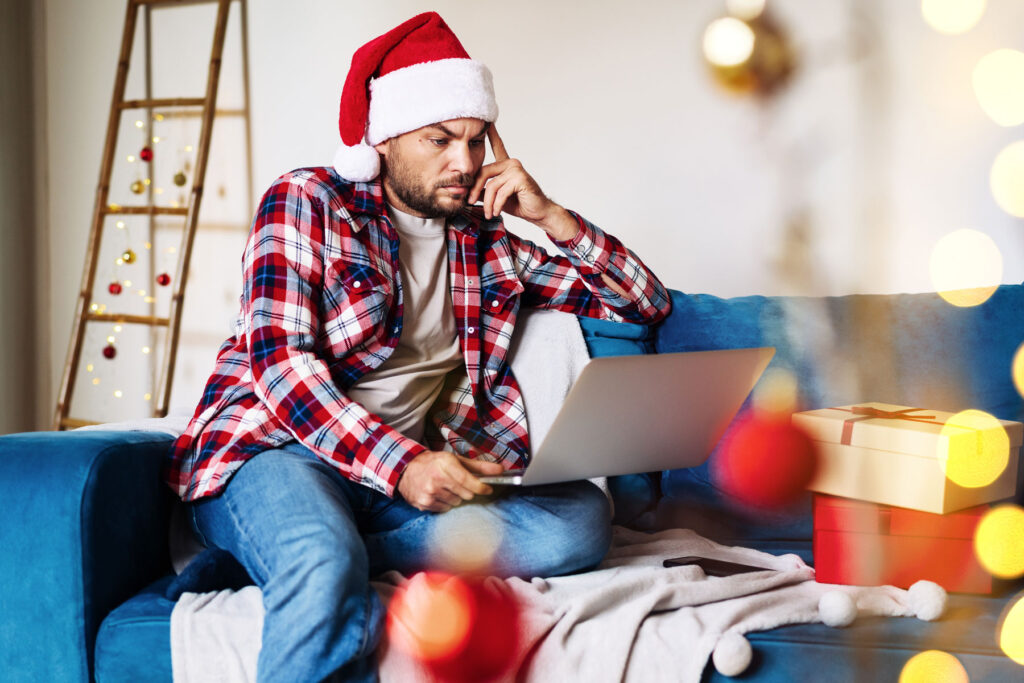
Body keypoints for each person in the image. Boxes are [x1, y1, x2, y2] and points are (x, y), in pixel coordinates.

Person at [165, 11, 671, 682]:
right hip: (278, 450)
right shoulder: (306, 201)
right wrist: (403, 464)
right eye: (440, 140)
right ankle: (318, 553)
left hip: (399, 480)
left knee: (575, 522)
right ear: (387, 136)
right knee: (319, 562)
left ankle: (324, 551)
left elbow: (640, 302)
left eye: (475, 140)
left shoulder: (487, 240)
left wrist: (554, 218)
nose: (464, 163)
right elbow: (282, 368)